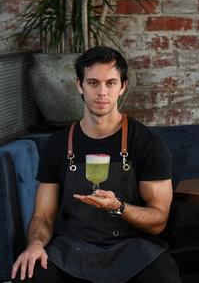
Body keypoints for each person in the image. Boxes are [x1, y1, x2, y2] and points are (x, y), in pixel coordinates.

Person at [11, 46, 180, 283]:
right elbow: (43, 217)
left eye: (110, 83)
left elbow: (158, 220)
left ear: (123, 86)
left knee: (163, 276)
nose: (102, 92)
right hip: (73, 248)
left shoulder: (147, 142)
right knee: (30, 274)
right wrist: (36, 244)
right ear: (79, 85)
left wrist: (118, 206)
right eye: (93, 83)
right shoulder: (58, 144)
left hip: (133, 248)